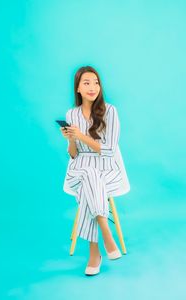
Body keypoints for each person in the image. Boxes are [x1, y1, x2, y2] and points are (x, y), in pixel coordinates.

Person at [60, 65, 130, 276]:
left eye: (96, 82)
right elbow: (73, 155)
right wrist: (71, 139)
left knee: (90, 183)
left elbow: (109, 151)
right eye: (86, 83)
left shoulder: (110, 111)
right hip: (79, 168)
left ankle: (94, 253)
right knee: (89, 176)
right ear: (78, 89)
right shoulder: (71, 113)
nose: (92, 87)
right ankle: (107, 234)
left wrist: (81, 136)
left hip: (106, 168)